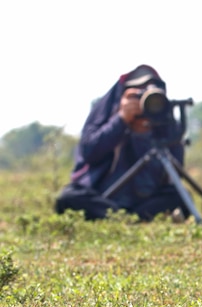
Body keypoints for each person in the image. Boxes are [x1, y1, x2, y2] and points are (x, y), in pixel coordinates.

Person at [55, 64, 190, 222]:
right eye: (138, 94)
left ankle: (120, 219)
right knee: (69, 198)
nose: (143, 102)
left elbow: (176, 166)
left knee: (181, 197)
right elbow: (89, 151)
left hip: (146, 199)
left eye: (150, 94)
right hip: (104, 196)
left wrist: (147, 132)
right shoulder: (108, 114)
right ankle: (129, 220)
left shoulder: (163, 122)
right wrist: (121, 120)